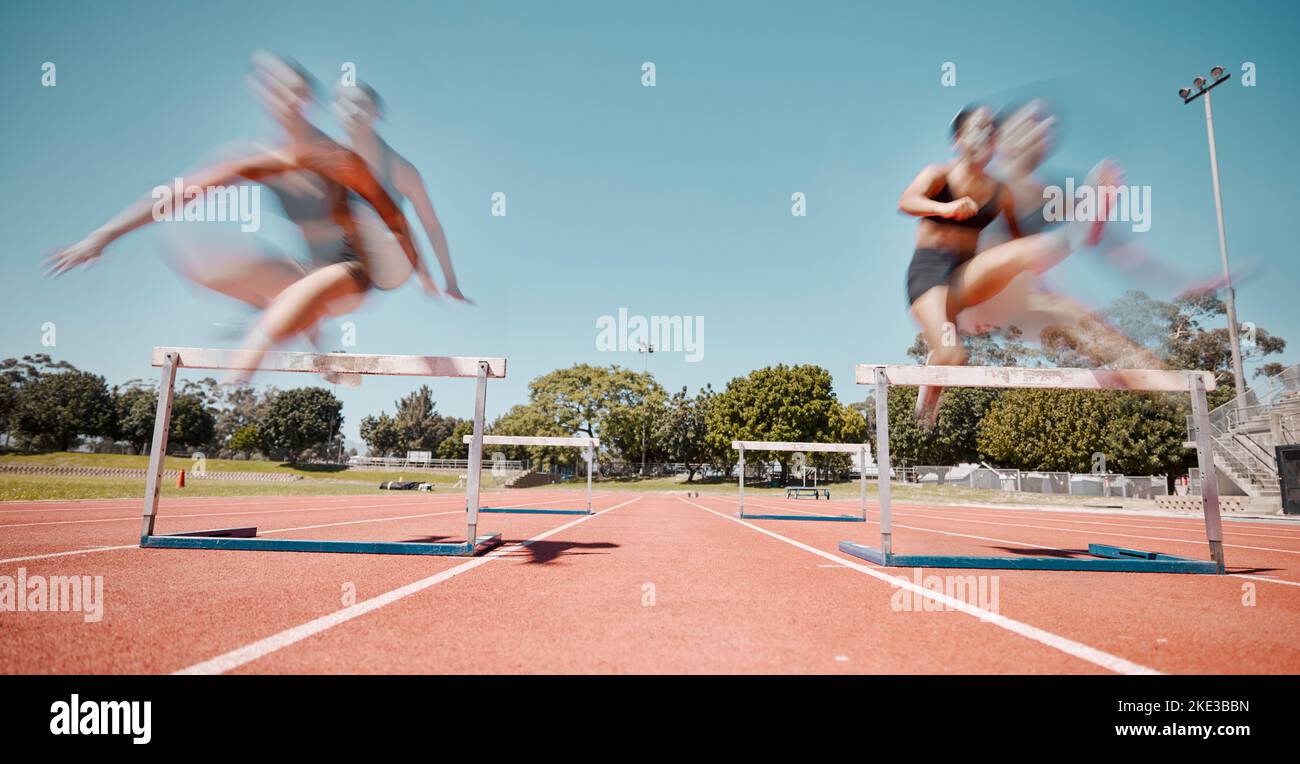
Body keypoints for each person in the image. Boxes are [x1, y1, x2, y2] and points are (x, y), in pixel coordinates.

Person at [46, 53, 444, 383]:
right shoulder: (258, 159)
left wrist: (419, 267)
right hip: (307, 270)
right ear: (262, 96)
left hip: (358, 271)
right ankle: (308, 332)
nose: (284, 99)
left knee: (288, 308)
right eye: (272, 89)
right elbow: (177, 193)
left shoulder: (336, 158)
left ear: (307, 98)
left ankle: (270, 339)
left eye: (293, 90)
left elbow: (391, 214)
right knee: (203, 262)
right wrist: (103, 235)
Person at [898, 104, 1120, 427]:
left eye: (991, 130)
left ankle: (1077, 234)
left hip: (965, 277)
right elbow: (907, 202)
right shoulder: (938, 174)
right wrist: (947, 209)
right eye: (978, 128)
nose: (986, 135)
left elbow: (1019, 242)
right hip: (929, 279)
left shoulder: (999, 192)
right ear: (958, 139)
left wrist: (1035, 277)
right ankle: (924, 410)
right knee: (953, 356)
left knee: (1017, 253)